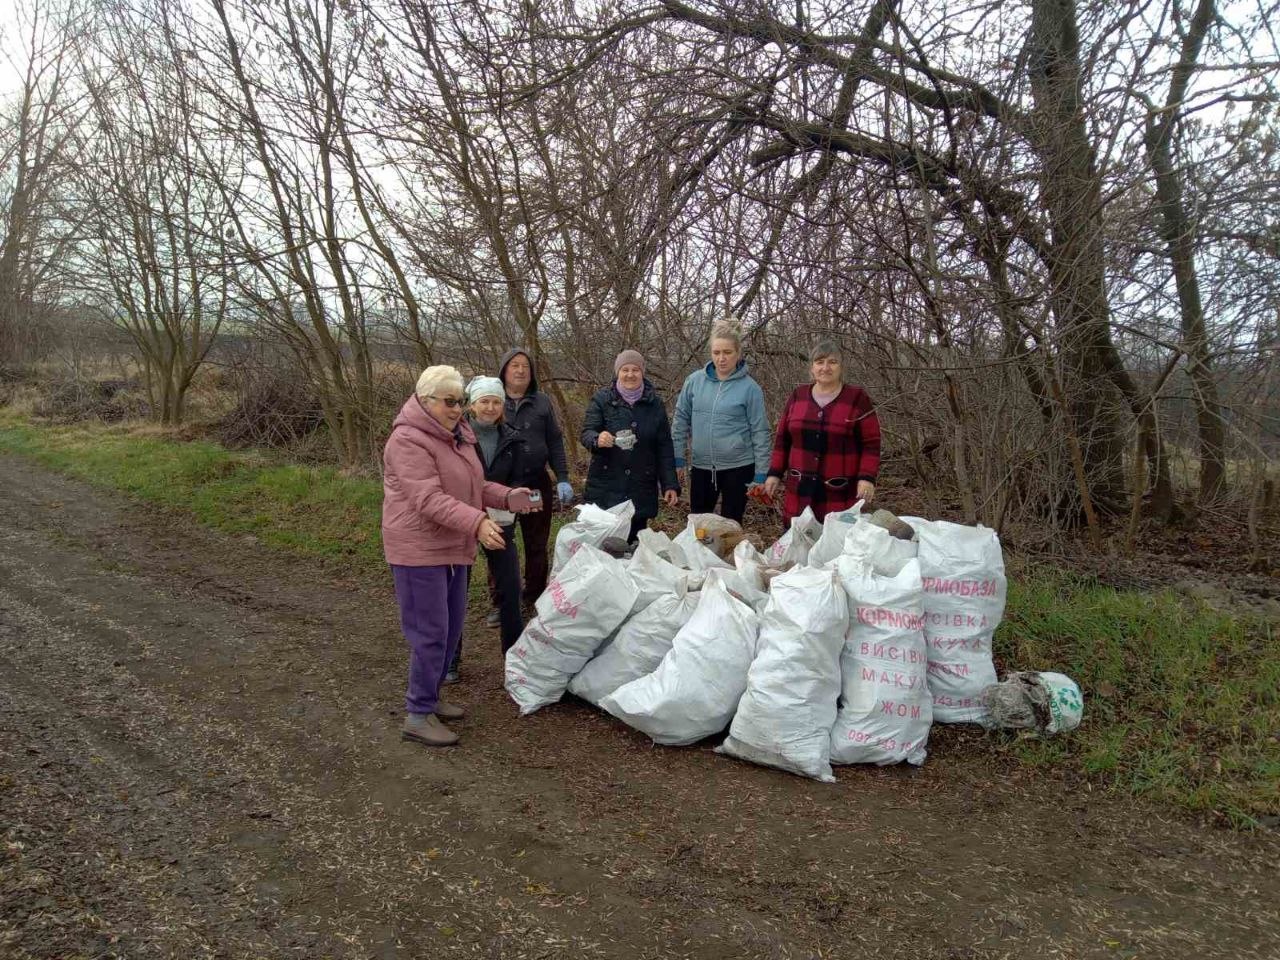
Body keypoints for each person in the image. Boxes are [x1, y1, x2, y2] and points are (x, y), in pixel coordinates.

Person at [382, 365, 541, 748]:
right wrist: (477, 523)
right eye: (450, 402)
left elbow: (473, 484)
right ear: (425, 400)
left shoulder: (457, 436)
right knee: (431, 632)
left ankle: (432, 697)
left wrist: (506, 497)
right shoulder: (407, 441)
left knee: (451, 629)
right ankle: (418, 714)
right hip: (419, 549)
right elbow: (428, 498)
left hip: (451, 545)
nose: (457, 409)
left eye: (460, 402)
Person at [446, 376, 529, 681]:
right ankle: (450, 659)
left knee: (510, 587)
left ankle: (515, 658)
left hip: (500, 517)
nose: (491, 407)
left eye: (496, 402)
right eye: (484, 401)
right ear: (472, 404)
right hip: (463, 519)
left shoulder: (513, 437)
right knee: (456, 591)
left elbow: (520, 479)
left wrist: (519, 500)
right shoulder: (457, 436)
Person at [764, 339, 881, 522]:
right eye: (820, 362)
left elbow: (871, 444)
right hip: (799, 490)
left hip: (839, 492)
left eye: (832, 362)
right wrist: (774, 473)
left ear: (841, 367)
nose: (825, 368)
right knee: (798, 540)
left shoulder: (857, 398)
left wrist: (866, 477)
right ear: (811, 367)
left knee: (837, 542)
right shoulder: (798, 396)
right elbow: (782, 440)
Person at [671, 319, 772, 523]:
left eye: (727, 352)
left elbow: (760, 431)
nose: (722, 358)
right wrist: (677, 458)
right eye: (716, 353)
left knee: (731, 527)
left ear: (738, 353)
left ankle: (729, 555)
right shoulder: (694, 382)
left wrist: (761, 473)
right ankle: (699, 556)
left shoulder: (750, 388)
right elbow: (680, 420)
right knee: (699, 525)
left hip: (739, 468)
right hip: (702, 467)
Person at [497, 349, 573, 609]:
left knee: (536, 543)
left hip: (535, 484)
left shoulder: (541, 401)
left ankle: (534, 597)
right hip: (501, 488)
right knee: (500, 542)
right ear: (504, 370)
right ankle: (501, 600)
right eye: (514, 366)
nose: (520, 371)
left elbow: (554, 439)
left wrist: (562, 476)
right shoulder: (492, 400)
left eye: (525, 367)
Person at [581, 349, 680, 541]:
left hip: (640, 487)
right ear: (617, 372)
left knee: (633, 547)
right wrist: (597, 439)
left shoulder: (655, 404)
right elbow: (586, 433)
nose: (630, 374)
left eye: (635, 370)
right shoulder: (602, 399)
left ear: (642, 372)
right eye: (625, 369)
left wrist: (670, 484)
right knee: (606, 547)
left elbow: (664, 447)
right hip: (607, 487)